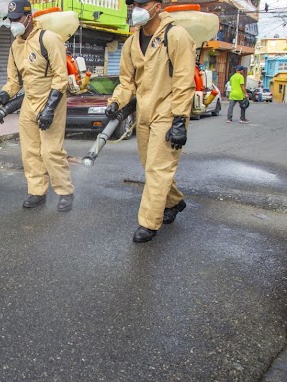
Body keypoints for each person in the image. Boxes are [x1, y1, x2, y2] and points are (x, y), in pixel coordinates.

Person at [104, 0, 195, 243]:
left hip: (168, 110)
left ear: (158, 5)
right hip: (144, 112)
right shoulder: (131, 42)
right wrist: (116, 102)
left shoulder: (176, 36)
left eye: (142, 3)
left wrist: (179, 120)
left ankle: (149, 223)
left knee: (157, 168)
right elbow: (127, 82)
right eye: (134, 4)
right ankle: (175, 201)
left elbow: (185, 82)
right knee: (151, 166)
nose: (137, 8)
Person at [0, 0, 74, 212]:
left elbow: (61, 77)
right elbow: (14, 81)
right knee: (30, 151)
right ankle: (37, 191)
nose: (14, 24)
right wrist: (0, 98)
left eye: (17, 19)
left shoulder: (49, 39)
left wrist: (50, 109)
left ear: (29, 18)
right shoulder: (15, 46)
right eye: (11, 20)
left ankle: (65, 192)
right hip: (29, 102)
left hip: (52, 97)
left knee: (51, 150)